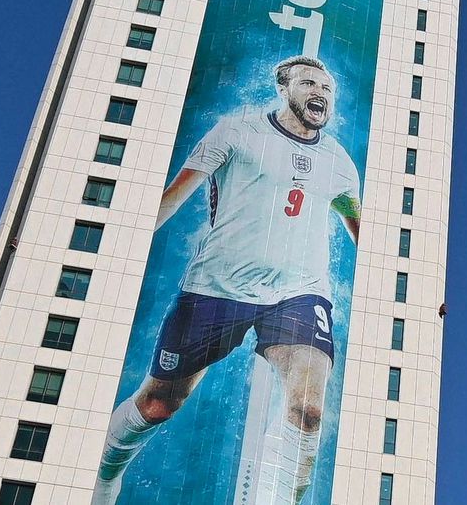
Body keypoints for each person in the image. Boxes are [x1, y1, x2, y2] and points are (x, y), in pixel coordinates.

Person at [92, 55, 361, 505]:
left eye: (327, 88)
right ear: (284, 87)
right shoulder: (236, 132)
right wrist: (112, 248)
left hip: (298, 293)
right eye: (309, 82)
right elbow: (174, 197)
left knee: (309, 408)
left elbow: (364, 233)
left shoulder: (338, 162)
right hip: (217, 289)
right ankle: (101, 478)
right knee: (159, 403)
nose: (321, 92)